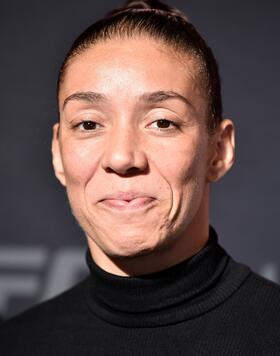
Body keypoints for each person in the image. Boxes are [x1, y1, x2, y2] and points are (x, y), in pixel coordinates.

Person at [0, 0, 279, 354]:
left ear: (219, 151)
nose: (121, 157)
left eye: (162, 122)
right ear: (57, 152)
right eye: (88, 124)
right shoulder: (16, 343)